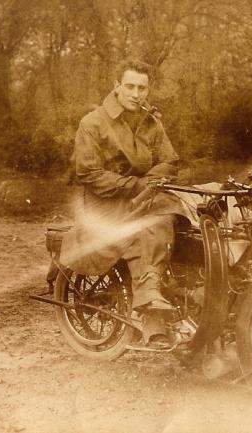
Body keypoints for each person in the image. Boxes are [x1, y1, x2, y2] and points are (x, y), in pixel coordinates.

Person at [59, 59, 184, 311]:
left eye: (142, 88)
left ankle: (175, 295)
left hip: (145, 196)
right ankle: (148, 294)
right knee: (151, 225)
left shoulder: (152, 123)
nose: (136, 94)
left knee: (182, 218)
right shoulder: (92, 123)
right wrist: (136, 185)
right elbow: (89, 173)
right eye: (130, 87)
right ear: (117, 86)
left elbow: (170, 161)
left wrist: (149, 183)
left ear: (148, 90)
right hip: (104, 204)